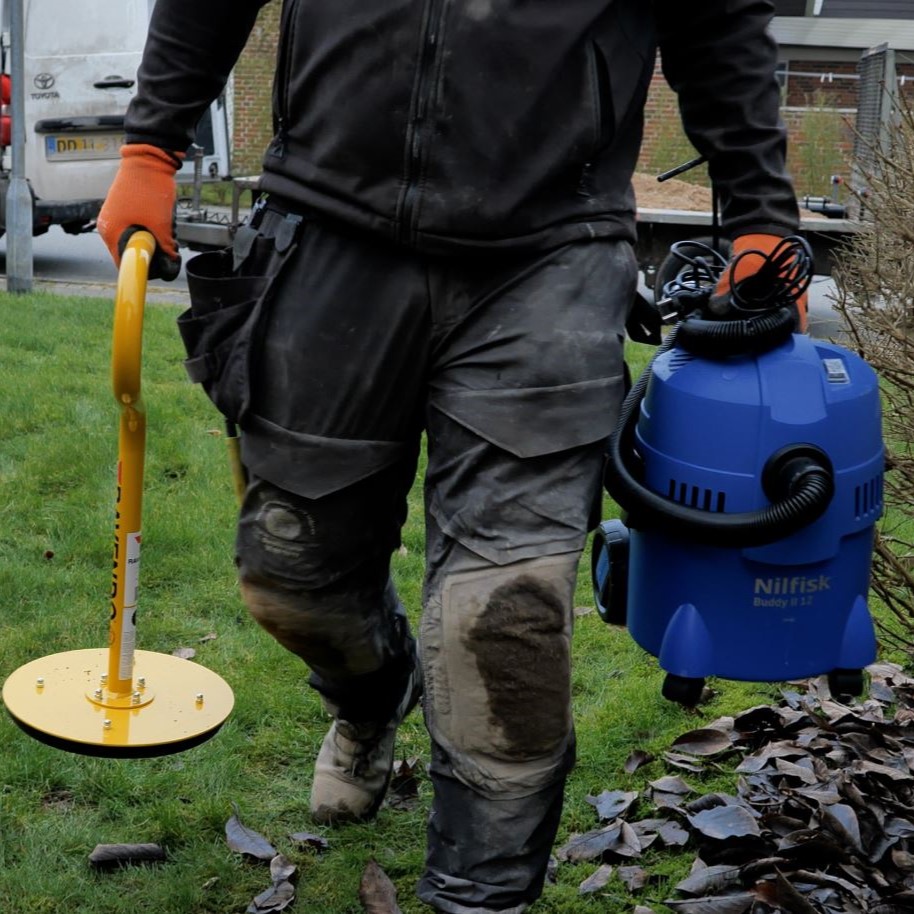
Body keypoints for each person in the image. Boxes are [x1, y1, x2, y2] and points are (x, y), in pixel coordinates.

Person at [98, 2, 802, 911]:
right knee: (292, 574)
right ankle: (371, 699)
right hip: (329, 227)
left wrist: (759, 209)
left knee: (504, 623)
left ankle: (480, 895)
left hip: (550, 253)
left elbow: (719, 18)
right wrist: (151, 146)